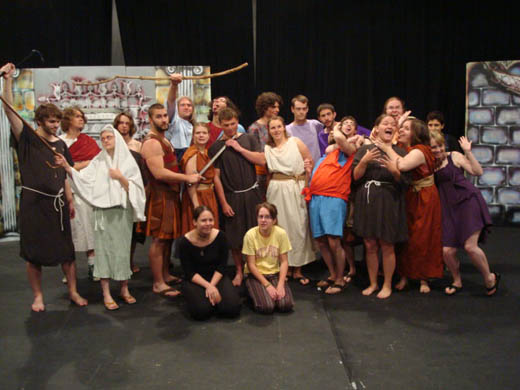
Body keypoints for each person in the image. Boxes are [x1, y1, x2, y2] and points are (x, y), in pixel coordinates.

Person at [1, 62, 87, 312]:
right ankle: (38, 296)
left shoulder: (60, 144)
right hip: (33, 203)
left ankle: (72, 291)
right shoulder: (27, 137)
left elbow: (65, 176)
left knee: (67, 253)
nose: (54, 125)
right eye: (50, 121)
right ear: (39, 120)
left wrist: (69, 200)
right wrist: (7, 80)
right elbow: (9, 110)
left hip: (58, 203)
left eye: (57, 121)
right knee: (33, 254)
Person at [55, 125, 146, 310]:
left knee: (122, 251)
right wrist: (66, 166)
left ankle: (124, 289)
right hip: (102, 212)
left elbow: (137, 188)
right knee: (103, 252)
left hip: (121, 212)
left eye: (109, 137)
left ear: (116, 139)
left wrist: (121, 177)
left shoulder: (127, 161)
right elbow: (83, 179)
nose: (105, 141)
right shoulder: (98, 161)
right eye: (103, 138)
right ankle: (106, 292)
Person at [139, 103, 202, 297]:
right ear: (150, 120)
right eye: (158, 117)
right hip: (160, 196)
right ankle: (158, 283)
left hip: (170, 195)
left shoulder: (163, 140)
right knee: (159, 240)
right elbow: (158, 173)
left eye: (165, 116)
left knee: (167, 239)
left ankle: (165, 275)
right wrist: (187, 178)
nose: (164, 120)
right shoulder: (152, 142)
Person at [375, 118, 443, 293]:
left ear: (416, 133)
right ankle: (405, 275)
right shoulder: (406, 149)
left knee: (422, 236)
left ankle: (423, 278)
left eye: (406, 128)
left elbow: (403, 165)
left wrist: (387, 148)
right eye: (402, 127)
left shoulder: (420, 151)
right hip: (410, 195)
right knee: (406, 236)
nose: (401, 130)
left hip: (424, 198)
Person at [430, 132, 500, 296]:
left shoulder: (454, 156)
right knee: (447, 251)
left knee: (470, 247)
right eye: (434, 147)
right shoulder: (429, 164)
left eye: (440, 146)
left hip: (467, 202)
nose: (439, 150)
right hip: (447, 208)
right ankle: (457, 280)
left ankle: (489, 277)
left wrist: (468, 152)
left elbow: (477, 171)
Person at [352, 114, 410, 299]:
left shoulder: (400, 152)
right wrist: (364, 161)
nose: (390, 126)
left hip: (389, 201)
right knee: (369, 244)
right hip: (368, 201)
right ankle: (373, 283)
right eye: (385, 123)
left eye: (393, 124)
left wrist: (395, 172)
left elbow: (407, 184)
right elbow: (355, 177)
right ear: (376, 128)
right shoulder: (365, 150)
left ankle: (387, 284)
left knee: (387, 244)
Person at [303, 118, 361, 294]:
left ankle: (340, 279)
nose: (347, 126)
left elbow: (342, 141)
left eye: (351, 125)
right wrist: (308, 173)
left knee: (334, 241)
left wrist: (335, 128)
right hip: (316, 199)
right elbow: (310, 181)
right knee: (321, 241)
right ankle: (333, 274)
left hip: (333, 198)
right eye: (344, 124)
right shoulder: (325, 156)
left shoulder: (350, 151)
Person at [209, 107, 264, 286]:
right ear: (220, 125)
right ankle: (239, 271)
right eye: (227, 125)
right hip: (231, 196)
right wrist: (223, 202)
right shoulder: (216, 147)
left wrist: (239, 148)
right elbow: (215, 177)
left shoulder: (249, 139)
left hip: (251, 193)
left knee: (254, 233)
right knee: (235, 237)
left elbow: (261, 160)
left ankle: (255, 268)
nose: (231, 128)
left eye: (233, 124)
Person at [264, 116, 315, 285]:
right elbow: (268, 174)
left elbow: (310, 161)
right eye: (273, 128)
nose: (276, 130)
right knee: (280, 227)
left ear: (284, 127)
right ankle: (282, 266)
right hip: (277, 188)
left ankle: (298, 269)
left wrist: (307, 175)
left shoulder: (295, 142)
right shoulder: (268, 148)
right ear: (269, 131)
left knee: (298, 225)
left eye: (279, 126)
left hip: (295, 187)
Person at [178, 206, 241, 320]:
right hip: (195, 279)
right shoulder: (184, 242)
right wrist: (208, 286)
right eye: (203, 220)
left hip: (217, 276)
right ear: (194, 222)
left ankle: (213, 299)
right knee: (202, 312)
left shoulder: (220, 237)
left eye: (210, 220)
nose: (208, 224)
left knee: (232, 309)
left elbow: (222, 266)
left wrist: (212, 285)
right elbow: (189, 271)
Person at [59, 106, 100, 281]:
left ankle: (93, 265)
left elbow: (97, 163)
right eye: (77, 116)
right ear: (68, 120)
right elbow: (58, 167)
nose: (81, 119)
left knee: (89, 228)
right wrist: (80, 165)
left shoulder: (88, 142)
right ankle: (69, 272)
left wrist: (74, 166)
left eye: (82, 116)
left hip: (86, 191)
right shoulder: (59, 142)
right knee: (69, 232)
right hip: (65, 189)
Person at [242, 202, 294, 314]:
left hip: (273, 273)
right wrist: (267, 286)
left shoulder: (281, 233)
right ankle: (251, 290)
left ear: (274, 220)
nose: (263, 220)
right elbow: (251, 265)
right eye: (260, 217)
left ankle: (264, 292)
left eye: (267, 217)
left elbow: (284, 262)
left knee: (285, 305)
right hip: (255, 275)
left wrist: (280, 285)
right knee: (267, 307)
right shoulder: (250, 235)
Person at [114, 111, 146, 273]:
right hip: (115, 192)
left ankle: (130, 261)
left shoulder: (138, 146)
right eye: (121, 122)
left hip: (133, 191)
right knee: (117, 230)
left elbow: (142, 171)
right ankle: (118, 263)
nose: (124, 126)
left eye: (127, 123)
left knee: (133, 230)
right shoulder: (111, 144)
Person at [180, 123, 223, 234]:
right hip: (198, 196)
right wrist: (196, 206)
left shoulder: (208, 152)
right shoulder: (192, 153)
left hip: (209, 195)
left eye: (204, 133)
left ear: (209, 135)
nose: (201, 135)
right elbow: (191, 184)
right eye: (198, 133)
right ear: (193, 135)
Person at [248, 91, 283, 198]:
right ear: (264, 108)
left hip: (279, 170)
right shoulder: (255, 128)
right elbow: (255, 153)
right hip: (262, 174)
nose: (277, 110)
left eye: (277, 107)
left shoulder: (279, 124)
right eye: (273, 107)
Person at [165, 73, 194, 161]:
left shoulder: (193, 126)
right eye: (183, 105)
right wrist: (174, 85)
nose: (186, 107)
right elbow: (171, 101)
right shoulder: (174, 120)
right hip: (175, 158)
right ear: (177, 108)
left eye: (189, 105)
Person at [286, 95, 323, 164]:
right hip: (298, 171)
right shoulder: (287, 130)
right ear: (292, 109)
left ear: (307, 109)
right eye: (298, 109)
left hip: (317, 169)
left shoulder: (315, 125)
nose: (301, 112)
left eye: (304, 109)